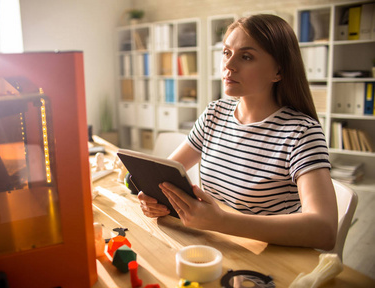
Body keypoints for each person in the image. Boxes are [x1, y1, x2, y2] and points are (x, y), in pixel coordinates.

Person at [138, 14, 338, 251]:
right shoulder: (215, 114)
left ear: (279, 72)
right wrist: (153, 198)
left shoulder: (302, 133)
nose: (229, 66)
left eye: (246, 56)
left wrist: (222, 221)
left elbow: (324, 230)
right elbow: (163, 175)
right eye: (226, 52)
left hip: (270, 256)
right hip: (215, 245)